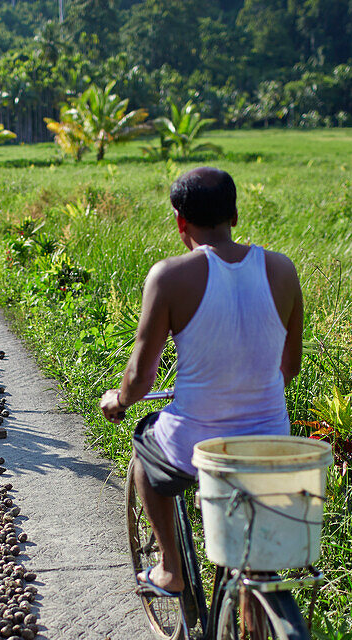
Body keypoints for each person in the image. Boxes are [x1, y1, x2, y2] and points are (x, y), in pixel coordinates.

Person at [100, 166, 303, 596]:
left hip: (197, 441)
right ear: (234, 215)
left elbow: (140, 376)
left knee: (144, 444)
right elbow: (289, 369)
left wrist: (119, 400)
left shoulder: (169, 277)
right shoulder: (282, 271)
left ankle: (171, 570)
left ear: (180, 222)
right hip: (270, 437)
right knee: (258, 569)